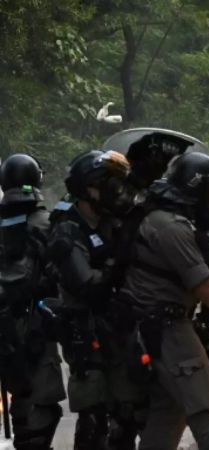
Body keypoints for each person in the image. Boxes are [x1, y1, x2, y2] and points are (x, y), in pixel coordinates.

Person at [116, 152, 209, 450]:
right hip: (169, 329)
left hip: (150, 331)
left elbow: (206, 264)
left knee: (168, 413)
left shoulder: (158, 218)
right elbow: (206, 288)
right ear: (195, 189)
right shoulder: (170, 226)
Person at [47, 150, 145, 450]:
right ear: (89, 189)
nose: (117, 193)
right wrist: (120, 259)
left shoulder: (111, 222)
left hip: (120, 335)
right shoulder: (68, 231)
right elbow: (90, 287)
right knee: (94, 423)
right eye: (110, 186)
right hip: (89, 343)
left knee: (127, 418)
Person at [0, 154, 66, 449]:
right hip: (37, 323)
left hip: (5, 326)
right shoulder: (44, 223)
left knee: (22, 393)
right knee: (42, 406)